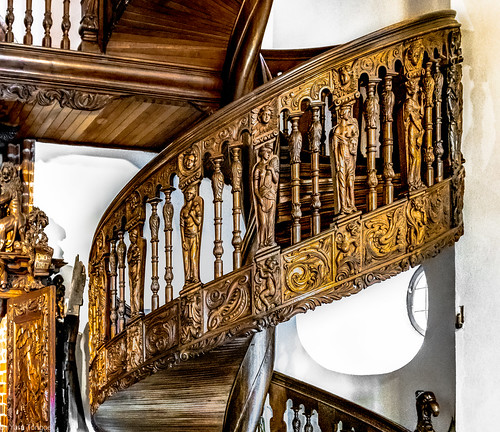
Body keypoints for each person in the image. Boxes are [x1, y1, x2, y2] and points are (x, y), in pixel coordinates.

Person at [331, 104, 359, 214]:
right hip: (341, 157)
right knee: (342, 181)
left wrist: (352, 140)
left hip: (350, 157)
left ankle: (351, 204)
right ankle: (343, 206)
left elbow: (355, 140)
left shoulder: (352, 127)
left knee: (350, 182)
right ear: (342, 114)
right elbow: (335, 148)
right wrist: (338, 163)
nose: (349, 113)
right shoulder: (337, 130)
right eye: (347, 111)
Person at [253, 143, 279, 248]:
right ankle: (261, 244)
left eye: (270, 152)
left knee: (270, 222)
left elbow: (276, 180)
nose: (268, 154)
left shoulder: (271, 166)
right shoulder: (258, 168)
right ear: (262, 152)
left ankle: (269, 242)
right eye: (267, 152)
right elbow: (255, 188)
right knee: (263, 223)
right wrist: (260, 200)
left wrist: (272, 171)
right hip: (262, 197)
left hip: (271, 196)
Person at [180, 185, 203, 283]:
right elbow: (181, 226)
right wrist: (183, 240)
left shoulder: (196, 207)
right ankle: (187, 278)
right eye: (187, 193)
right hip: (186, 235)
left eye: (190, 194)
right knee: (186, 259)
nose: (188, 195)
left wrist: (193, 216)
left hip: (194, 235)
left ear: (193, 195)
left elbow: (198, 222)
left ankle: (195, 277)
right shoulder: (183, 209)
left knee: (193, 257)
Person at [0, 162, 25, 251]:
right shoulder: (14, 187)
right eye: (4, 174)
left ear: (11, 175)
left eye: (7, 174)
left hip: (15, 217)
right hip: (19, 217)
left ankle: (1, 244)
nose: (5, 176)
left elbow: (2, 200)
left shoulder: (10, 189)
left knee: (0, 225)